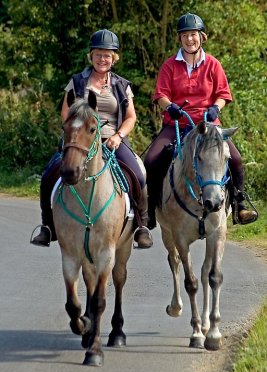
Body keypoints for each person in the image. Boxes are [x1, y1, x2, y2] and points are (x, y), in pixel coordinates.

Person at [31, 29, 153, 249]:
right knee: (50, 173)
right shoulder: (77, 82)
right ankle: (47, 226)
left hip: (112, 139)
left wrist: (118, 136)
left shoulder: (121, 85)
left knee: (139, 173)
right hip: (80, 139)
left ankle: (142, 225)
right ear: (91, 56)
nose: (102, 59)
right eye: (98, 54)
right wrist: (75, 134)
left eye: (107, 55)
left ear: (114, 58)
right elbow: (66, 113)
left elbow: (131, 117)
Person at [144, 12, 258, 229]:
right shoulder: (169, 65)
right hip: (177, 123)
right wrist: (170, 107)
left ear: (202, 37)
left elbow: (223, 94)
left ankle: (239, 204)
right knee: (151, 160)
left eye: (193, 34)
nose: (190, 39)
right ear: (179, 38)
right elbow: (160, 95)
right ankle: (149, 210)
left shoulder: (213, 64)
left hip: (208, 126)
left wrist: (216, 107)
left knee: (235, 158)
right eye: (185, 35)